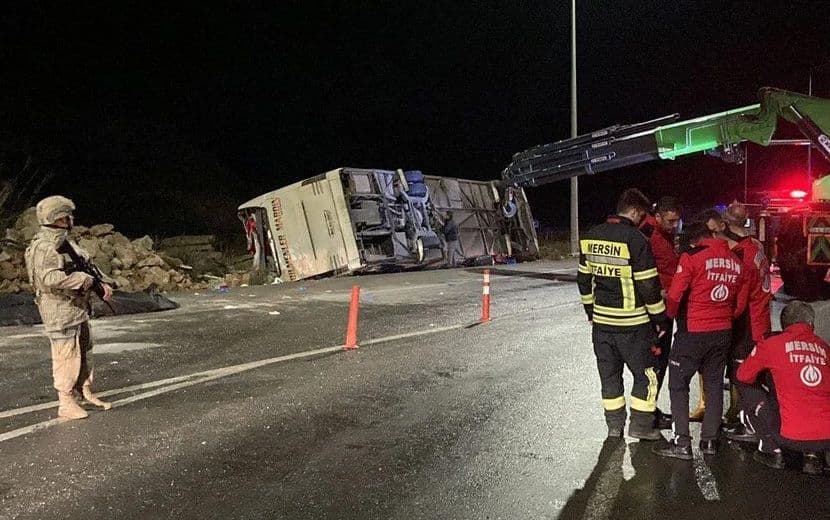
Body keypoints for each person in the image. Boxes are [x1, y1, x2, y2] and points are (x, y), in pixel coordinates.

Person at [577, 188, 669, 441]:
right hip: (634, 325)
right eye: (643, 216)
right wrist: (659, 319)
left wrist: (590, 310)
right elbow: (648, 286)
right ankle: (640, 425)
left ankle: (614, 427)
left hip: (602, 325)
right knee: (648, 374)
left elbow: (583, 280)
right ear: (636, 211)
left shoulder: (591, 236)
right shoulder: (636, 240)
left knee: (609, 377)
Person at [653, 222, 748, 459]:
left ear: (696, 240)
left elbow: (675, 296)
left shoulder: (692, 256)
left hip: (692, 332)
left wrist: (671, 316)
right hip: (723, 332)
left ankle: (682, 442)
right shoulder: (737, 262)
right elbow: (739, 305)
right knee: (714, 385)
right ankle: (709, 441)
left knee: (678, 384)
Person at [24, 195, 114, 421]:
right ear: (58, 218)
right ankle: (65, 402)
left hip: (76, 307)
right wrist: (85, 281)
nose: (71, 219)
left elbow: (86, 265)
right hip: (59, 309)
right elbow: (49, 278)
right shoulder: (45, 246)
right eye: (67, 216)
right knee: (66, 355)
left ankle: (83, 392)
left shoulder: (65, 241)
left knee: (84, 349)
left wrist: (101, 282)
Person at [733, 301, 830, 475]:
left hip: (790, 438)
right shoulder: (824, 348)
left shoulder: (773, 344)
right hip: (826, 438)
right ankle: (813, 456)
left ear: (784, 324)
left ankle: (771, 450)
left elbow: (743, 375)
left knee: (744, 382)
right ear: (812, 325)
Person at [639, 196, 682, 428]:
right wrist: (659, 292)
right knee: (653, 363)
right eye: (670, 220)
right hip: (654, 312)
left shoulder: (664, 234)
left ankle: (650, 409)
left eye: (677, 221)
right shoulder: (647, 233)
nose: (674, 225)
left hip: (665, 309)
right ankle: (646, 414)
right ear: (658, 216)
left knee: (660, 362)